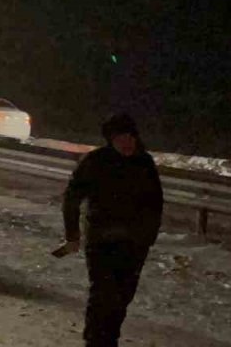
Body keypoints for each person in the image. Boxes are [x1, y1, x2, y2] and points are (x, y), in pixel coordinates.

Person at [60, 113, 163, 347]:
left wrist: (148, 236)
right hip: (102, 241)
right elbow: (71, 199)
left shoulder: (144, 163)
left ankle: (110, 339)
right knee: (103, 295)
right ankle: (95, 341)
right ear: (111, 140)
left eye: (130, 137)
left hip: (134, 244)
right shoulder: (95, 162)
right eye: (120, 138)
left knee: (123, 296)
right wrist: (72, 235)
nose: (126, 142)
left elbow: (155, 202)